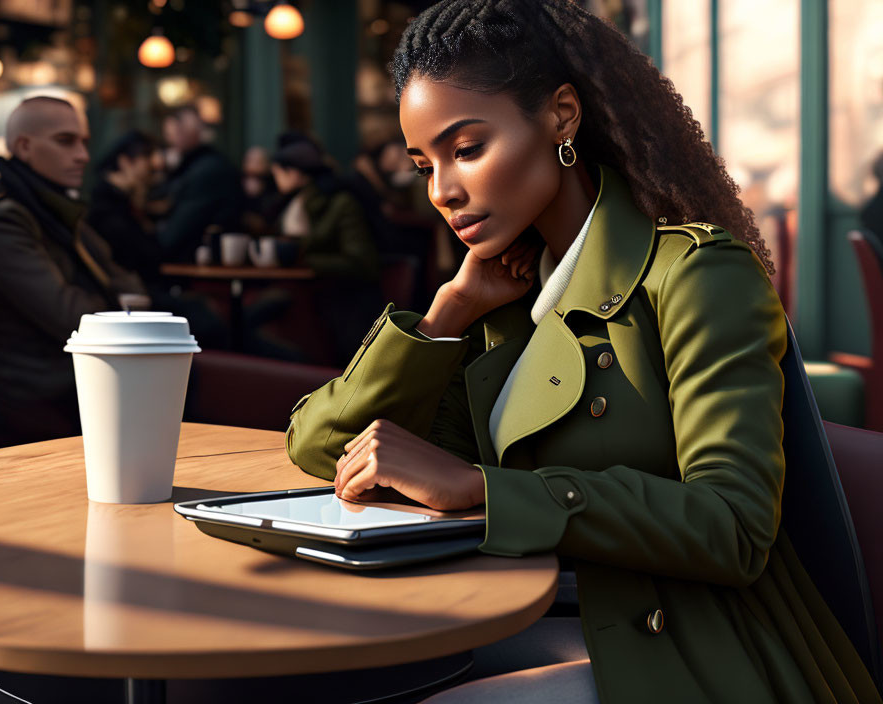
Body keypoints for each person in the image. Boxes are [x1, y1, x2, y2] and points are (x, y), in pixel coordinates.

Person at [286, 2, 882, 703]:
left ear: (561, 116)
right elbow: (324, 448)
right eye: (425, 164)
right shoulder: (505, 295)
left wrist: (482, 488)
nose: (444, 190)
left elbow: (734, 526)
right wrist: (449, 311)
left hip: (686, 643)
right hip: (535, 613)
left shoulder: (693, 275)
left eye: (468, 148)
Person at [0, 96, 146, 446]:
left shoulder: (55, 206)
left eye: (84, 143)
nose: (83, 156)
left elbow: (128, 283)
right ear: (24, 146)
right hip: (44, 392)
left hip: (87, 378)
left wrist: (123, 305)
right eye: (65, 141)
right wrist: (123, 308)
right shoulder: (4, 217)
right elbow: (71, 316)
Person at [269, 136, 381, 364]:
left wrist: (305, 259)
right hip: (308, 296)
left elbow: (362, 262)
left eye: (278, 172)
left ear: (295, 174)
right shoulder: (292, 203)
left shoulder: (339, 202)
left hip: (341, 302)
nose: (275, 178)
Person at [156, 105, 242, 262]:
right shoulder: (198, 166)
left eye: (174, 132)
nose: (170, 140)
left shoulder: (205, 171)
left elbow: (176, 234)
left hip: (201, 265)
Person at [87, 129, 162, 283]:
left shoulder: (123, 202)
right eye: (147, 158)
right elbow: (147, 255)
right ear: (125, 162)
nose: (153, 168)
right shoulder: (107, 210)